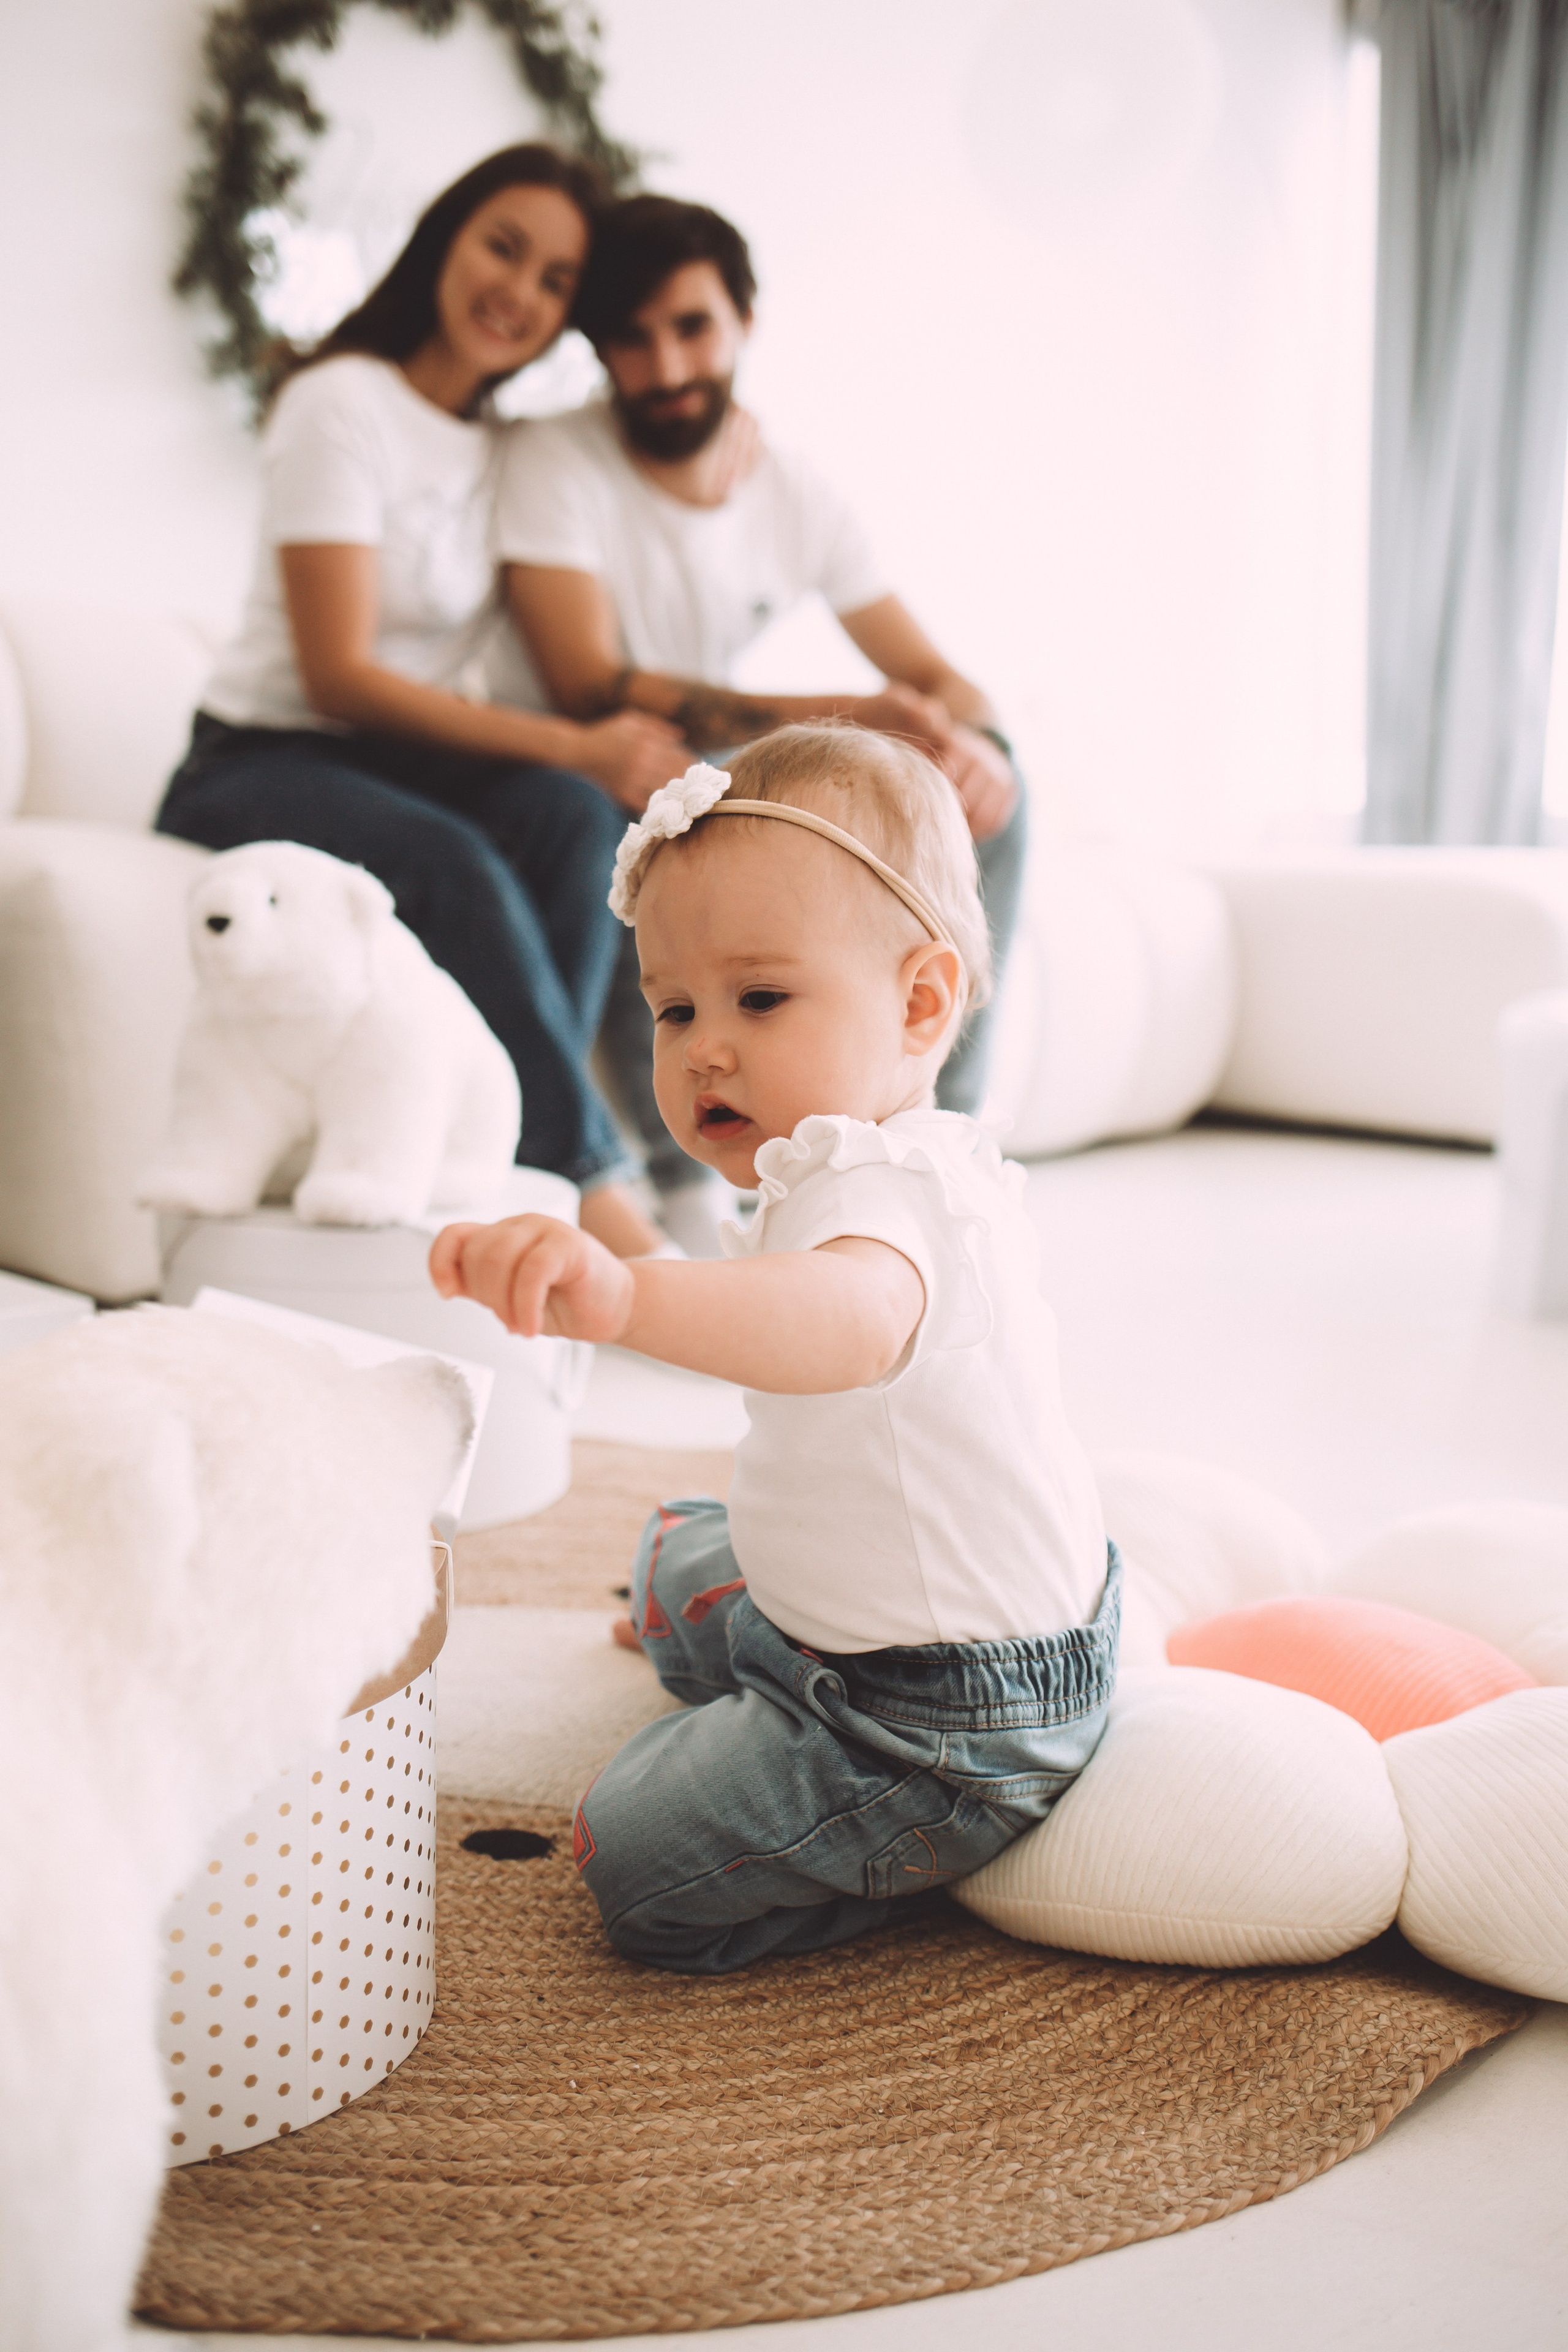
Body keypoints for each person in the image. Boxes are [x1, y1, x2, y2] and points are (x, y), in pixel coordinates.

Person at [431, 726, 1118, 1975]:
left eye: (759, 998)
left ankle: (910, 1850)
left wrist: (624, 1295)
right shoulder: (877, 1157)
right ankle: (763, 1667)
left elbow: (840, 1318)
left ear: (919, 1002)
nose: (704, 1047)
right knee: (673, 1551)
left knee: (630, 1856)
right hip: (880, 1624)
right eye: (673, 1008)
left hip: (939, 1717)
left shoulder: (884, 1199)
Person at [156, 145, 680, 1256]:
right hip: (259, 755)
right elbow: (339, 675)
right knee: (457, 860)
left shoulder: (512, 451)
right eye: (504, 247)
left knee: (574, 819)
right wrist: (576, 741)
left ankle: (510, 1160)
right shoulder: (337, 401)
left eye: (554, 281)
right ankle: (593, 1191)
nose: (519, 292)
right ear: (445, 238)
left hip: (398, 765)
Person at [488, 195, 1027, 1212]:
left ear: (743, 322)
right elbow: (587, 685)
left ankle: (938, 1141)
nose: (667, 367)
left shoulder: (790, 488)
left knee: (992, 785)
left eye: (692, 328)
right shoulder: (555, 460)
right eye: (633, 340)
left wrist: (976, 738)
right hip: (599, 763)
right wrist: (855, 708)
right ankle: (680, 1170)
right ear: (599, 352)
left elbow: (937, 676)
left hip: (712, 765)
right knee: (657, 824)